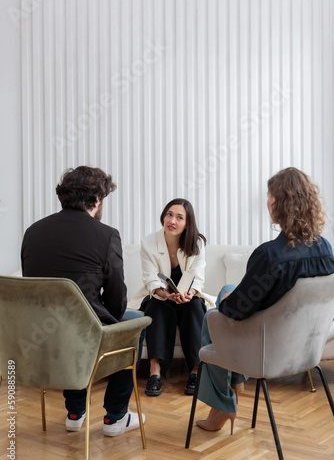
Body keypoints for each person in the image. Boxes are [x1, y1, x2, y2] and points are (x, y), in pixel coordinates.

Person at [196, 167, 334, 434]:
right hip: (305, 349)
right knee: (228, 287)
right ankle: (232, 384)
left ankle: (224, 402)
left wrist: (223, 302)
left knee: (211, 315)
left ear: (276, 203)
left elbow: (236, 311)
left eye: (269, 195)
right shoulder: (326, 249)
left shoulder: (271, 256)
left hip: (265, 351)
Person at [21, 166, 145, 437]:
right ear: (97, 200)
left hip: (42, 338)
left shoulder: (32, 232)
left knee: (69, 322)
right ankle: (116, 416)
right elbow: (116, 305)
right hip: (86, 339)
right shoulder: (106, 235)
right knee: (135, 321)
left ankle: (75, 411)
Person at [130, 198, 214, 397]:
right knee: (157, 307)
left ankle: (195, 370)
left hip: (187, 295)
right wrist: (165, 294)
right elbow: (151, 279)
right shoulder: (149, 243)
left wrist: (189, 294)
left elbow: (198, 279)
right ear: (163, 216)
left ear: (187, 223)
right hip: (160, 294)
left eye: (179, 217)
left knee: (194, 306)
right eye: (169, 214)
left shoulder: (197, 243)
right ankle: (154, 372)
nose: (172, 221)